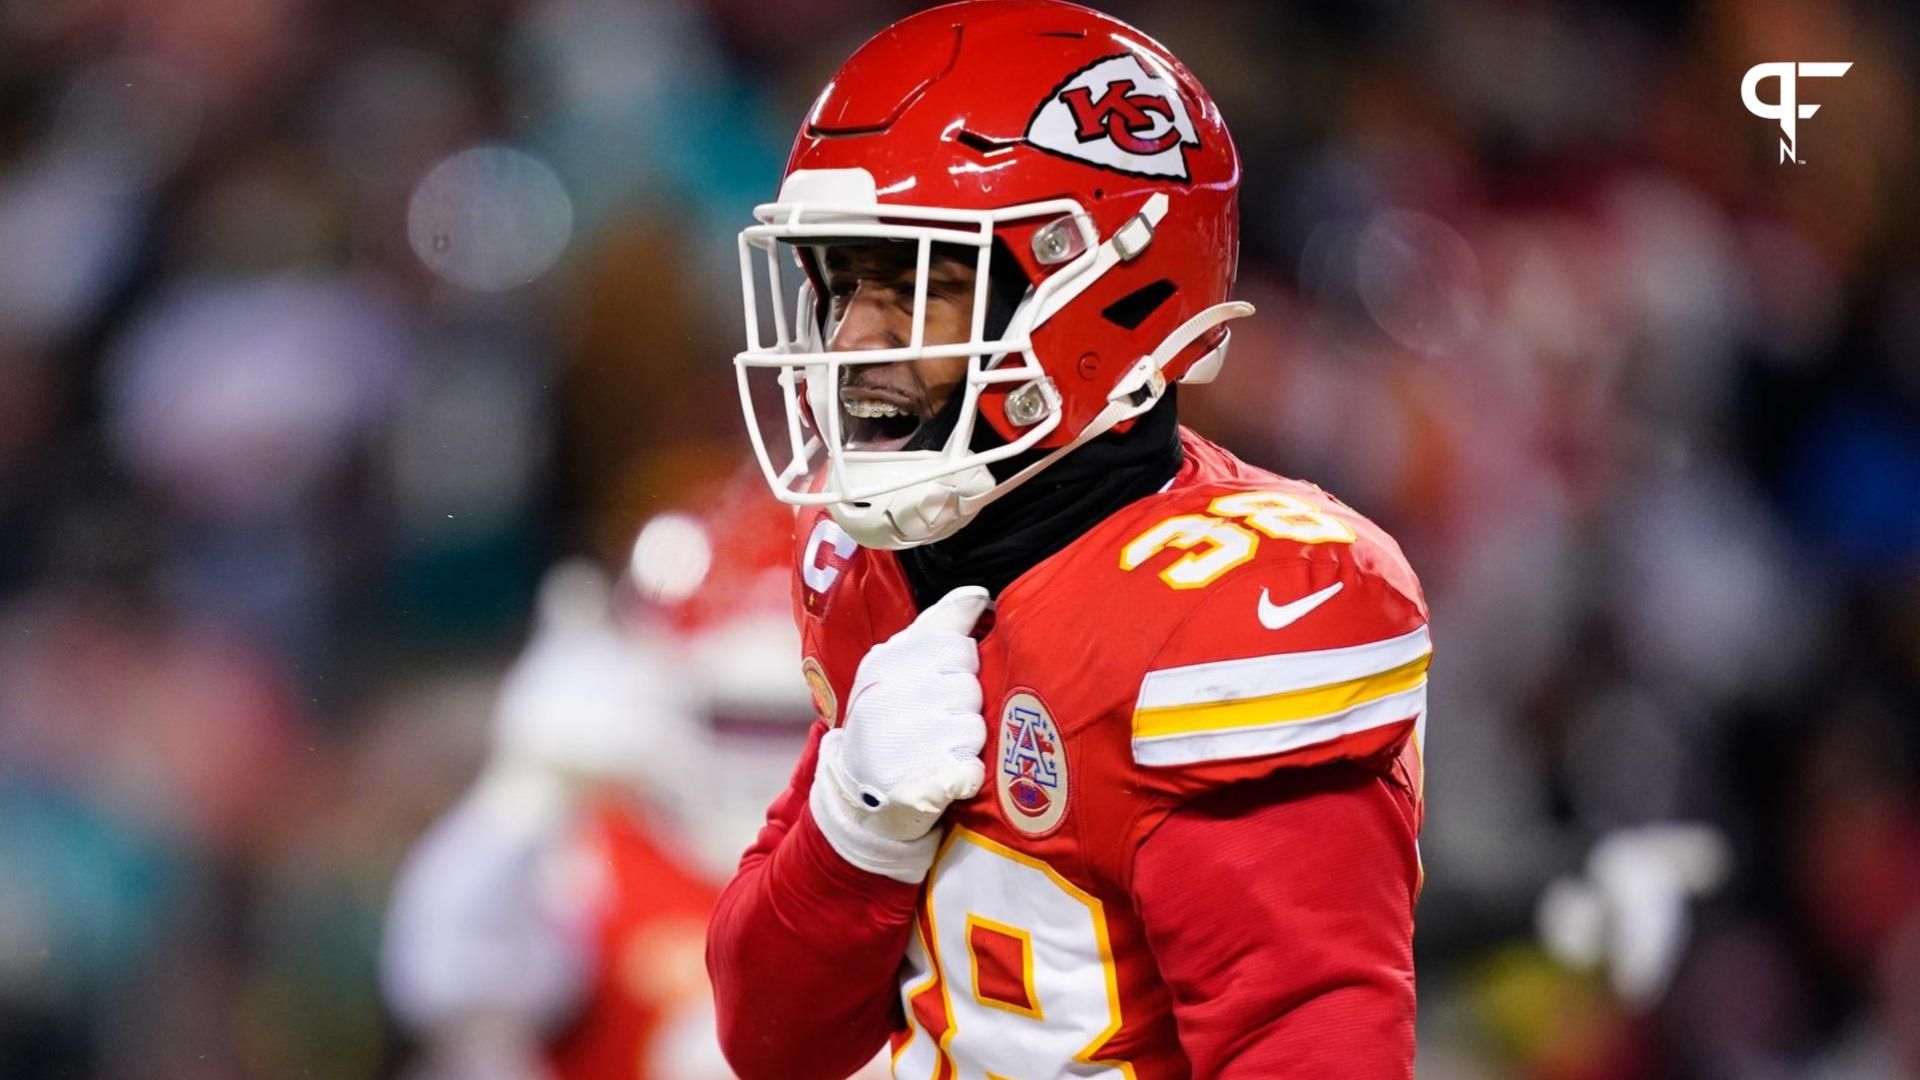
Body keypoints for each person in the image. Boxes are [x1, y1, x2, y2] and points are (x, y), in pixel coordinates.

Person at [710, 2, 1432, 1078]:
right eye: (842, 282)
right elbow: (769, 1041)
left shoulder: (1224, 612)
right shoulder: (886, 566)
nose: (851, 343)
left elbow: (1307, 1046)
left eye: (917, 286)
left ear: (1096, 290)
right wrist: (852, 834)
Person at [382, 496, 820, 1080]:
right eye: (732, 716)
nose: (762, 750)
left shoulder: (899, 865)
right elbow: (442, 979)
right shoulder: (590, 855)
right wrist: (526, 788)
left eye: (792, 719)